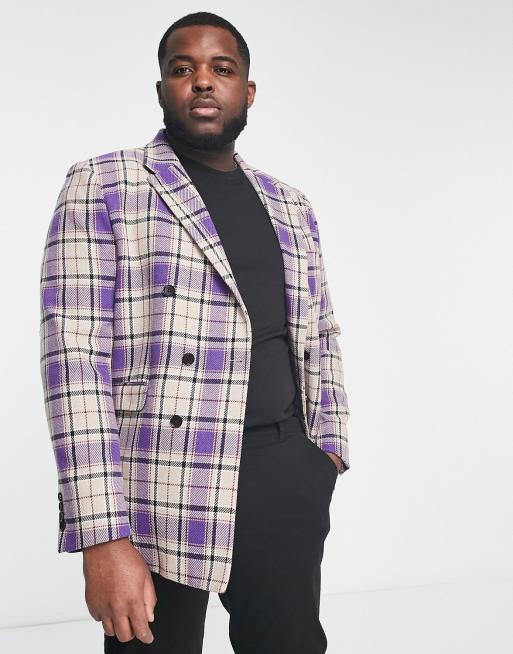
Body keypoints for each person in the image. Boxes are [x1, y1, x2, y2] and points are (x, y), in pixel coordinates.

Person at [39, 11, 350, 654]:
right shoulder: (105, 183)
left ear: (247, 91)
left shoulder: (291, 204)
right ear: (162, 88)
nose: (203, 80)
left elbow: (320, 332)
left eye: (221, 68)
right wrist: (103, 535)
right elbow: (74, 360)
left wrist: (326, 452)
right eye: (184, 68)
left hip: (283, 475)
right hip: (157, 483)